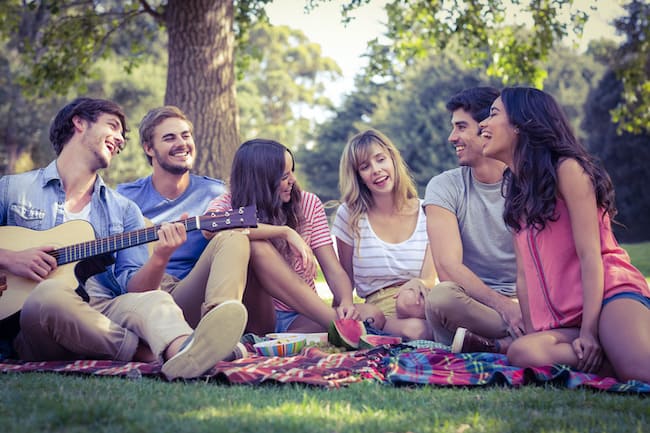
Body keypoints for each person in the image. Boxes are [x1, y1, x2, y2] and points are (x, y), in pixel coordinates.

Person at [0, 98, 246, 380]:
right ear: (79, 122)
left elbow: (137, 291)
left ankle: (183, 350)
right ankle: (148, 354)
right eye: (113, 127)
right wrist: (10, 259)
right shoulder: (13, 189)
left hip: (104, 308)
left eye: (122, 135)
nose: (119, 139)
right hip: (34, 322)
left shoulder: (124, 209)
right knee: (49, 295)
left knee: (154, 300)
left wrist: (161, 256)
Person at [479, 86, 650, 382]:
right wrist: (533, 330)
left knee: (639, 371)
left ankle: (618, 348)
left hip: (609, 295)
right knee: (522, 352)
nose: (483, 124)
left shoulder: (567, 170)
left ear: (521, 123)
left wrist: (589, 331)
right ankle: (613, 354)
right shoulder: (517, 193)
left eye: (493, 114)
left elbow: (590, 255)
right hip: (568, 320)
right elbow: (523, 275)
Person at [206, 138, 360, 334]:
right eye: (284, 176)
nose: (293, 180)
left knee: (373, 314)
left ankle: (303, 334)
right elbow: (210, 226)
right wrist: (285, 232)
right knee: (256, 245)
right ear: (261, 181)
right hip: (255, 317)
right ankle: (336, 326)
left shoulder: (308, 204)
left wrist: (346, 301)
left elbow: (333, 269)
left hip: (301, 315)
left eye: (292, 172)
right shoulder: (229, 203)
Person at [117, 106, 250, 331]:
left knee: (234, 238)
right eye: (169, 138)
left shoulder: (215, 193)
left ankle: (219, 329)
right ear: (149, 148)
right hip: (147, 299)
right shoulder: (124, 198)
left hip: (193, 294)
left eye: (185, 135)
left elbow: (247, 230)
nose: (181, 143)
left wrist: (285, 231)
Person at [423, 86, 523, 353]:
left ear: (487, 128)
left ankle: (495, 346)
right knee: (442, 297)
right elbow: (447, 268)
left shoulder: (528, 184)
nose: (451, 137)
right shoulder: (443, 187)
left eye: (461, 127)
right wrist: (506, 308)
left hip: (527, 303)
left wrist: (522, 307)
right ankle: (525, 337)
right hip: (471, 306)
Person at [331, 129, 436, 340]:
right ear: (358, 176)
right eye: (365, 167)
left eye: (380, 160)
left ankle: (389, 332)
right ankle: (386, 329)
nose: (376, 170)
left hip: (417, 302)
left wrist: (420, 285)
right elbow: (345, 279)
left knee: (411, 309)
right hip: (375, 309)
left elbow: (429, 278)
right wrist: (340, 314)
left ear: (393, 160)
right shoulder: (350, 215)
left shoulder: (428, 211)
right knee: (377, 317)